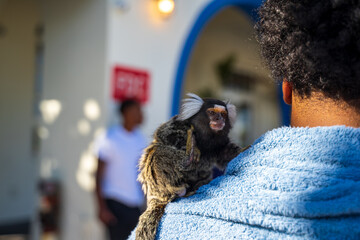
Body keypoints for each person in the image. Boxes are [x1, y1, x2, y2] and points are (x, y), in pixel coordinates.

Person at [129, 0, 360, 239]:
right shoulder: (183, 132)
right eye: (211, 115)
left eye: (221, 116)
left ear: (287, 88)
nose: (217, 120)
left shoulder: (174, 227)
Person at [95, 99, 147, 240]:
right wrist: (102, 208)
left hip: (135, 204)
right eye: (136, 111)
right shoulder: (110, 138)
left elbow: (142, 173)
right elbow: (98, 175)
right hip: (115, 202)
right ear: (125, 113)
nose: (141, 115)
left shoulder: (140, 139)